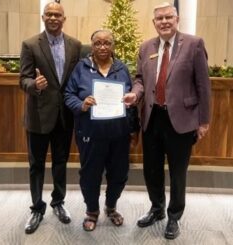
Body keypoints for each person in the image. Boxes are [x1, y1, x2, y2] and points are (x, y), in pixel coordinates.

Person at [123, 2, 211, 240]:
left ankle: (174, 216)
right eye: (159, 19)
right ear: (154, 23)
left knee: (177, 172)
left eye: (168, 17)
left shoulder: (194, 44)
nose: (163, 22)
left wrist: (203, 122)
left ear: (177, 19)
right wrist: (135, 93)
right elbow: (140, 79)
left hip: (181, 120)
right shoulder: (146, 47)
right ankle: (157, 208)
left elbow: (204, 86)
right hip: (152, 118)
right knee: (151, 170)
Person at [64, 29, 140, 232]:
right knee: (90, 175)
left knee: (119, 174)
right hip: (90, 133)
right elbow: (69, 95)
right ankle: (92, 211)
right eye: (98, 43)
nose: (102, 47)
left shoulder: (121, 69)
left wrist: (133, 129)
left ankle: (111, 206)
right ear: (92, 45)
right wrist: (82, 104)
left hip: (119, 134)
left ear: (113, 45)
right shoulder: (81, 68)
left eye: (107, 43)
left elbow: (131, 103)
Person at [19, 2, 81, 234]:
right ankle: (36, 207)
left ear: (64, 18)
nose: (54, 17)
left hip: (65, 116)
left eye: (58, 14)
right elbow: (22, 79)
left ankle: (58, 202)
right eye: (49, 14)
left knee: (60, 162)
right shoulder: (30, 44)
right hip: (38, 116)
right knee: (36, 165)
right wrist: (34, 85)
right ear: (43, 17)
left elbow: (76, 79)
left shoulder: (75, 45)